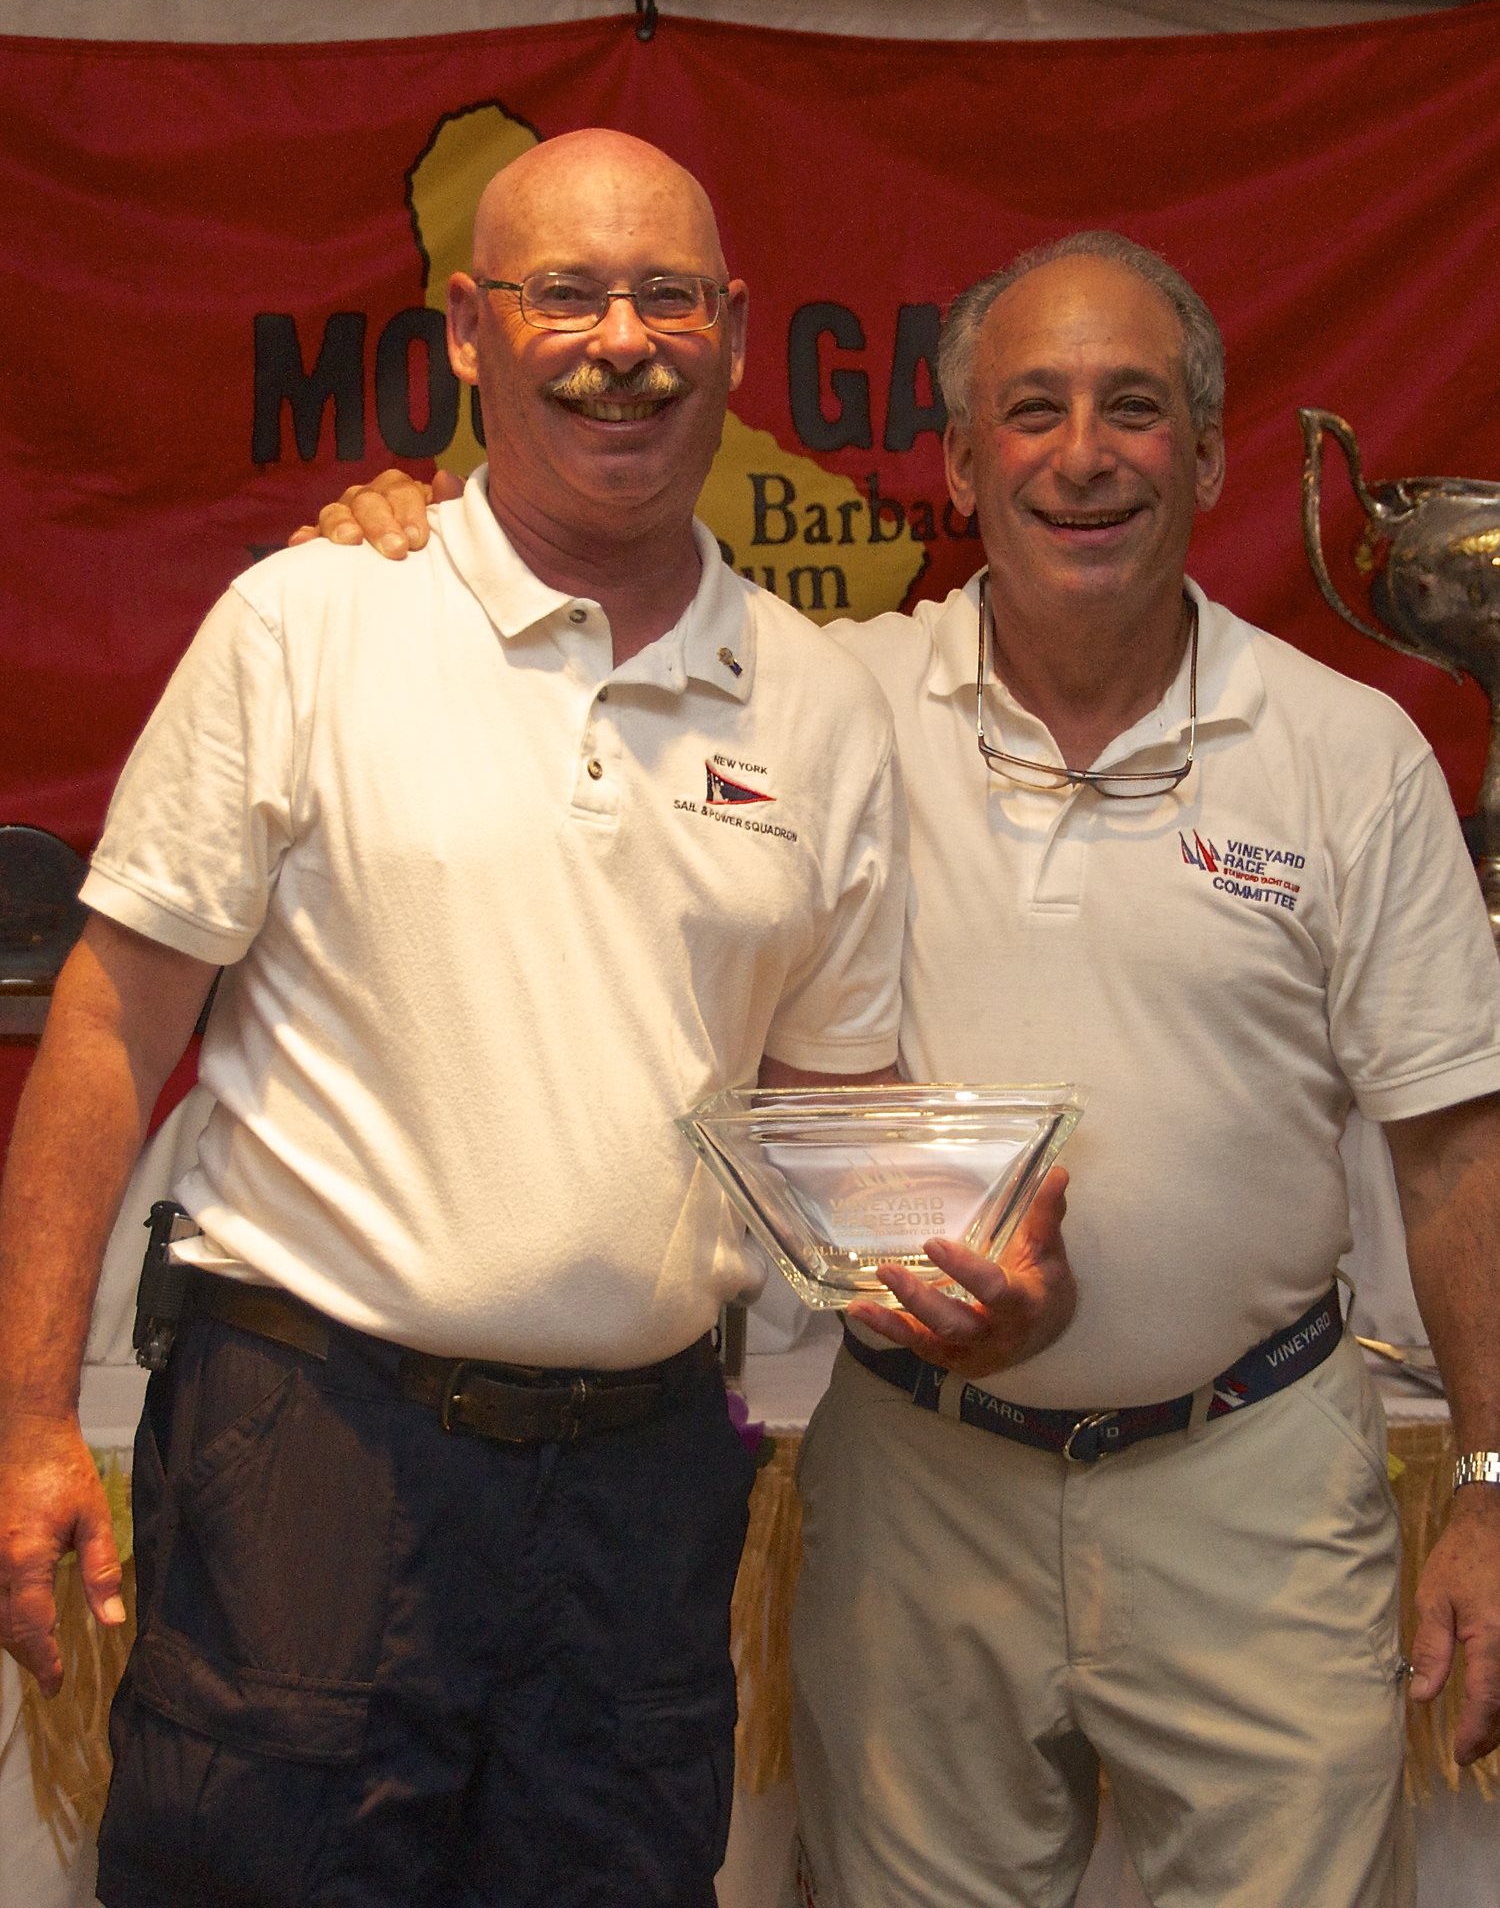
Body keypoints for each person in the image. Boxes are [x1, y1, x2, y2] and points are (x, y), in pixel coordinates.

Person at [321, 231, 1500, 1908]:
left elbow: (1457, 1151)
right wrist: (402, 564)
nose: (1083, 456)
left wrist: (1493, 1489)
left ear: (1208, 458)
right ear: (956, 463)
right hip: (920, 1487)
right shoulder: (820, 708)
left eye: (1134, 410)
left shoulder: (1348, 752)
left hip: (1255, 1489)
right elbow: (558, 708)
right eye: (1033, 410)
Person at [0, 128, 1074, 1908]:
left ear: (735, 332)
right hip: (309, 1460)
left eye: (667, 297)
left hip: (642, 1493)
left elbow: (829, 1121)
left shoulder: (817, 703)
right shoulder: (309, 621)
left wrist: (974, 1279)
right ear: (468, 332)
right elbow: (111, 1025)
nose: (620, 341)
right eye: (565, 294)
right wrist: (27, 1412)